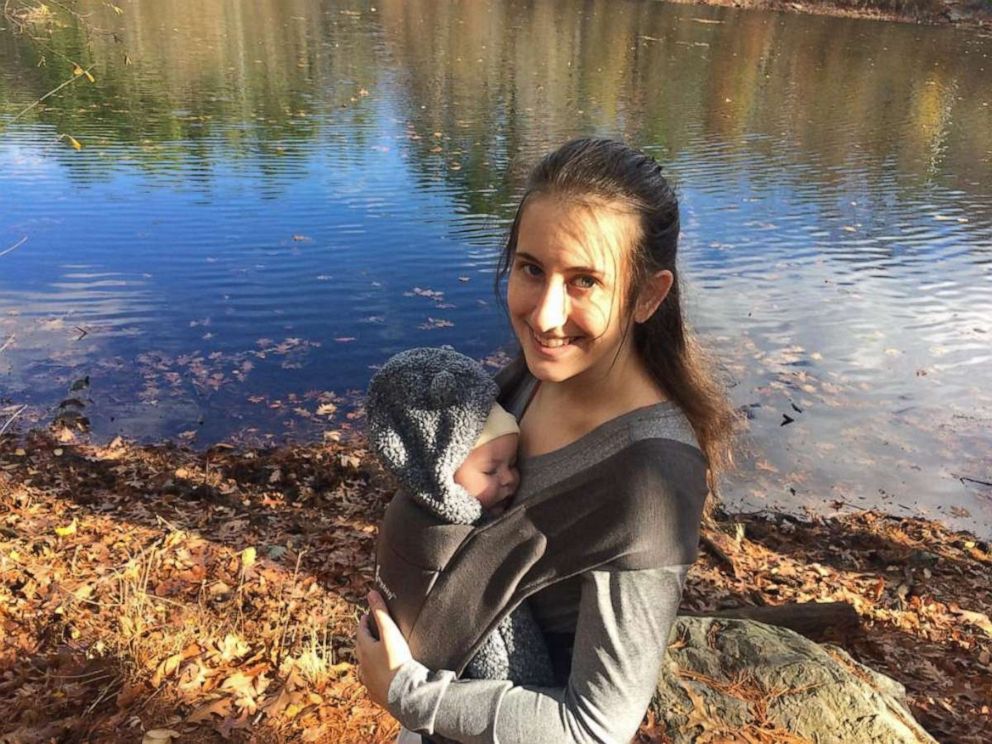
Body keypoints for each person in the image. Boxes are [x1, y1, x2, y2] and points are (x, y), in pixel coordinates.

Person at [355, 137, 736, 743]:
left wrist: (407, 693)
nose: (545, 314)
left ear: (648, 296)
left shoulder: (650, 480)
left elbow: (595, 727)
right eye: (532, 268)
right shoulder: (533, 381)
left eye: (584, 281)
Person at [365, 346, 555, 686]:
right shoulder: (473, 550)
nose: (510, 478)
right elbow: (506, 653)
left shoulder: (408, 509)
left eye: (512, 463)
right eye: (491, 469)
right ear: (442, 471)